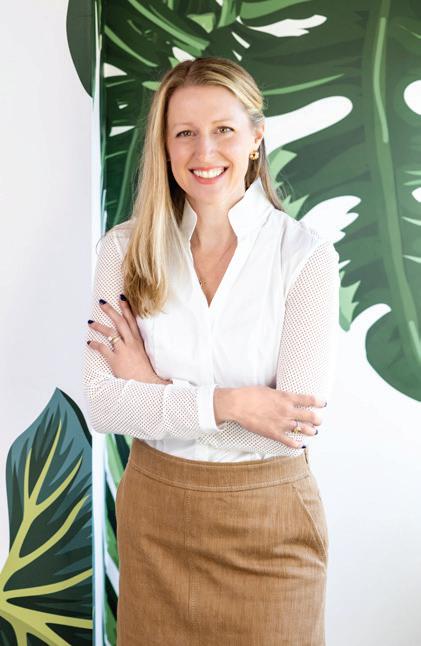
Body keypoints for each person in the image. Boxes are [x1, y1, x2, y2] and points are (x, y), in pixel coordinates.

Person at [83, 56, 340, 646]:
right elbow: (103, 405)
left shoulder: (305, 258)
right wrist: (233, 404)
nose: (205, 151)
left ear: (256, 137)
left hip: (271, 528)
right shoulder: (122, 251)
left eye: (223, 129)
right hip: (156, 524)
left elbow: (285, 432)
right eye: (184, 133)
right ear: (165, 145)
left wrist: (151, 389)